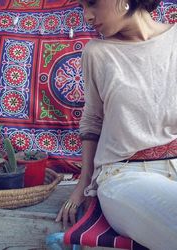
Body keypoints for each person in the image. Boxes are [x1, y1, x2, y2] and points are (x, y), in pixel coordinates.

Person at [56, 0, 177, 249]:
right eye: (81, 7)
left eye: (92, 3)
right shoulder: (97, 52)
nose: (87, 16)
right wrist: (83, 186)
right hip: (125, 175)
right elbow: (92, 119)